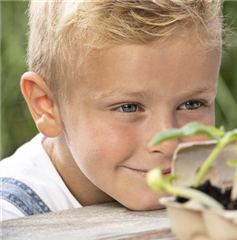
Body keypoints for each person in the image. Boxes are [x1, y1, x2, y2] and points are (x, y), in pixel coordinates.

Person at [0, 0, 224, 221]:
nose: (168, 145)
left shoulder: (229, 185)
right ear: (46, 106)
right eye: (129, 108)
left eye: (192, 104)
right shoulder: (10, 218)